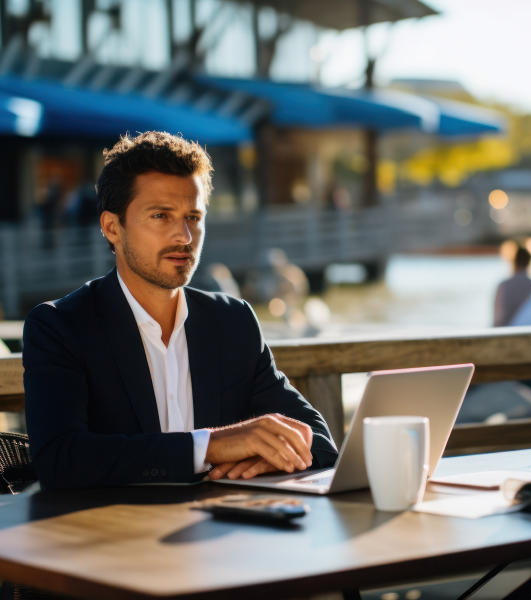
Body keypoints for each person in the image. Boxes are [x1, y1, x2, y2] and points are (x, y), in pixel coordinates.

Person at [22, 132, 338, 491]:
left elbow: (318, 443)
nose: (184, 236)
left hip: (225, 531)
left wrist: (262, 458)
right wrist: (213, 446)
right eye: (161, 215)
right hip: (112, 536)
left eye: (193, 216)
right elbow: (60, 459)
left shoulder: (233, 321)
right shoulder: (60, 326)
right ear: (112, 227)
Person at [494, 244, 531, 327]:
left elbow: (497, 318)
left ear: (514, 262)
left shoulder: (504, 285)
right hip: (529, 331)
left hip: (507, 332)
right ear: (529, 262)